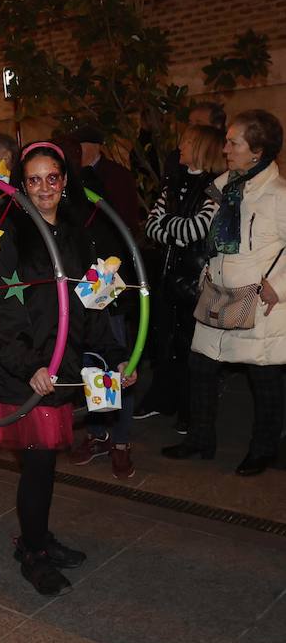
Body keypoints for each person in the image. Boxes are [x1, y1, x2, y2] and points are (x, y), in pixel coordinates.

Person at [0, 143, 129, 595]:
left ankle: (37, 538)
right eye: (34, 180)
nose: (44, 188)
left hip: (60, 362)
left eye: (52, 178)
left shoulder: (76, 235)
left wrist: (115, 355)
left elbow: (93, 298)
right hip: (24, 366)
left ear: (64, 181)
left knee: (42, 466)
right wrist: (31, 366)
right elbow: (2, 310)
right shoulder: (9, 235)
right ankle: (34, 552)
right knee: (39, 464)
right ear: (21, 186)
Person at [163, 109, 286, 476]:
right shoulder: (224, 187)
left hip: (258, 301)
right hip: (218, 292)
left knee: (263, 377)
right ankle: (200, 439)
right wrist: (206, 271)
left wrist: (277, 286)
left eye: (234, 142)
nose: (226, 147)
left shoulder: (278, 195)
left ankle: (263, 450)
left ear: (257, 151)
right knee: (200, 366)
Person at [136, 124, 226, 427]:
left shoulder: (216, 185)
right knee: (166, 343)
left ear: (200, 146)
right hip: (168, 275)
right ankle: (164, 400)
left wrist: (169, 229)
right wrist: (176, 231)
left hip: (196, 281)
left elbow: (198, 228)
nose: (180, 147)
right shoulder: (172, 183)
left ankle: (192, 413)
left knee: (193, 348)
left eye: (186, 141)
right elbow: (150, 225)